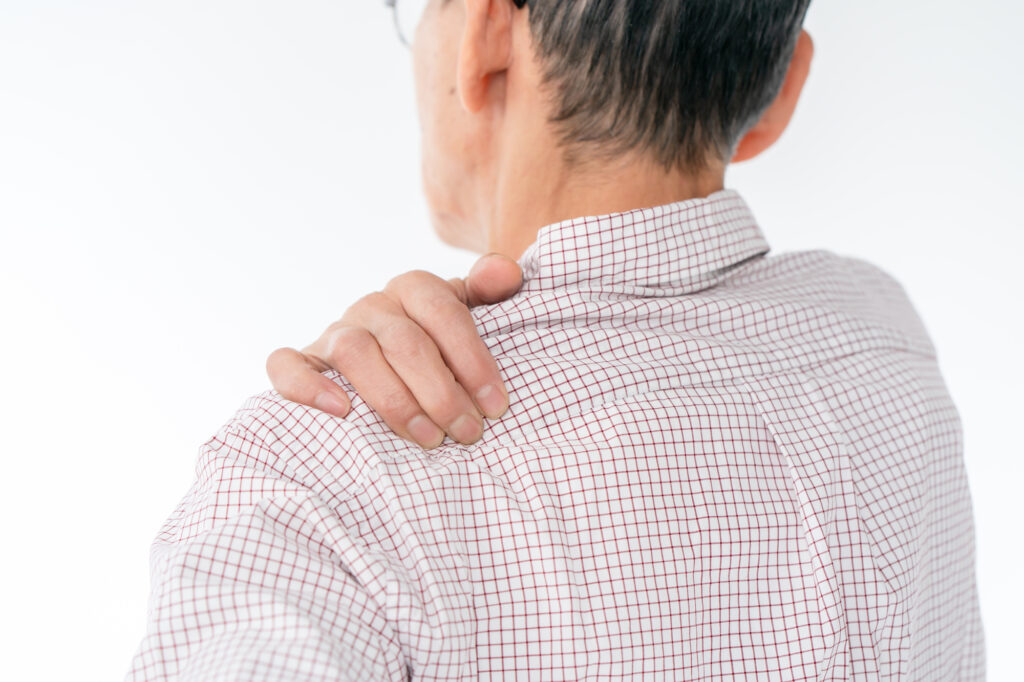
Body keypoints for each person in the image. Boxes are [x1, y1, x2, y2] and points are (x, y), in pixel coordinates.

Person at [127, 0, 986, 679]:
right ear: (782, 91)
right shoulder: (884, 337)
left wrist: (333, 421)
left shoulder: (314, 479)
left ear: (486, 36)